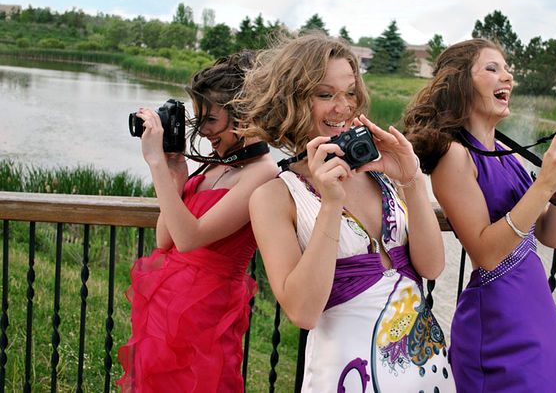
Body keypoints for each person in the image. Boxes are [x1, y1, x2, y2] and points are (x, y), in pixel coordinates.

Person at [239, 33, 456, 392]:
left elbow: (431, 267)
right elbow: (303, 312)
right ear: (292, 100)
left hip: (425, 369)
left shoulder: (381, 174)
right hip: (349, 377)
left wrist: (413, 178)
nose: (342, 107)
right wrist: (330, 202)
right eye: (325, 94)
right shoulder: (274, 197)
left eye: (350, 92)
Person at [402, 38, 556, 393]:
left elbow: (550, 235)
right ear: (461, 83)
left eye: (507, 69)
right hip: (498, 317)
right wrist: (544, 183)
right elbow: (486, 254)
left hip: (536, 310)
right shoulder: (454, 156)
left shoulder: (506, 151)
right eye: (492, 69)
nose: (507, 77)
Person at [116, 52, 279, 392]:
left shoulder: (262, 172)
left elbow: (190, 238)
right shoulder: (214, 164)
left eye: (211, 120)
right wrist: (175, 176)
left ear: (245, 112)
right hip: (165, 313)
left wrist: (155, 164)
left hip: (207, 317)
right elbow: (166, 240)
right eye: (199, 120)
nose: (203, 133)